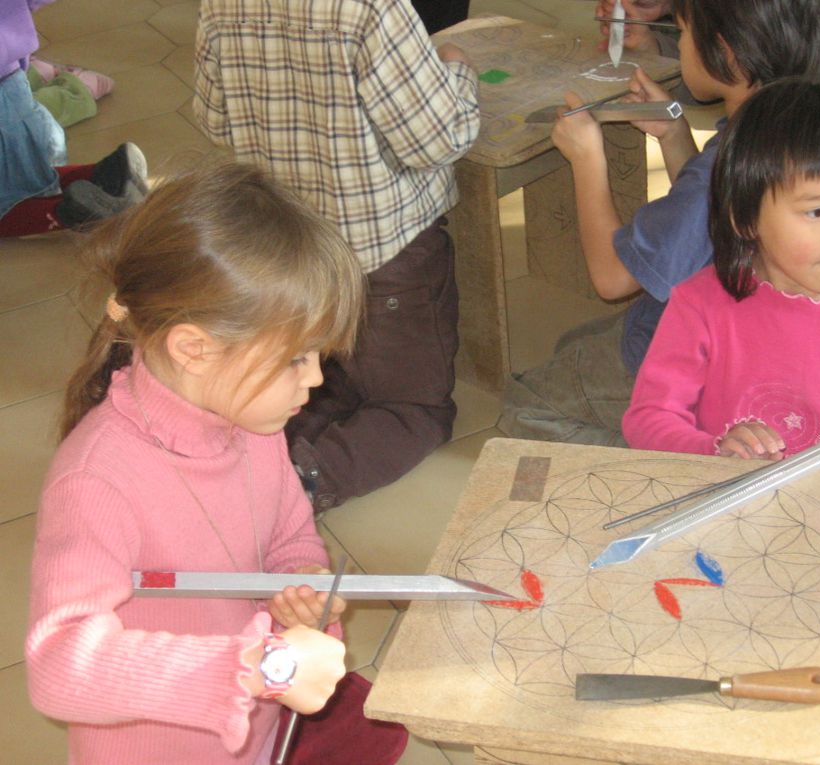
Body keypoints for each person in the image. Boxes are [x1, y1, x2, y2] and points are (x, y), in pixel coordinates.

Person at [25, 162, 408, 764]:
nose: (315, 379)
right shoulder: (95, 481)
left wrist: (296, 589)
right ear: (194, 349)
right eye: (296, 359)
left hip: (255, 731)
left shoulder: (253, 422)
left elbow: (288, 532)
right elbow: (59, 664)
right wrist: (260, 666)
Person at [498, 0, 820, 447]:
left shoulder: (722, 167)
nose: (679, 45)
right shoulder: (802, 129)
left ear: (727, 53)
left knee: (525, 406)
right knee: (573, 343)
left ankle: (689, 459)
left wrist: (587, 159)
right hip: (754, 348)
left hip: (694, 360)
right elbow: (716, 222)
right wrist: (675, 133)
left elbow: (613, 278)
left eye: (681, 33)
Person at [194, 0, 480, 514]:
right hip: (386, 254)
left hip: (289, 250)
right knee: (415, 407)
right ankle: (300, 483)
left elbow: (215, 120)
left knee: (321, 379)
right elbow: (439, 138)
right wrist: (455, 69)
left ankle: (229, 467)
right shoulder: (373, 10)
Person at [623, 79, 820, 518]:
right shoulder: (701, 303)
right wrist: (714, 451)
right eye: (817, 211)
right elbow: (648, 418)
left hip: (817, 527)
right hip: (711, 507)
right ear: (745, 218)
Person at [0, 0, 145, 237]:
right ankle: (101, 175)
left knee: (8, 195)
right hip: (13, 77)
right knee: (26, 166)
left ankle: (69, 212)